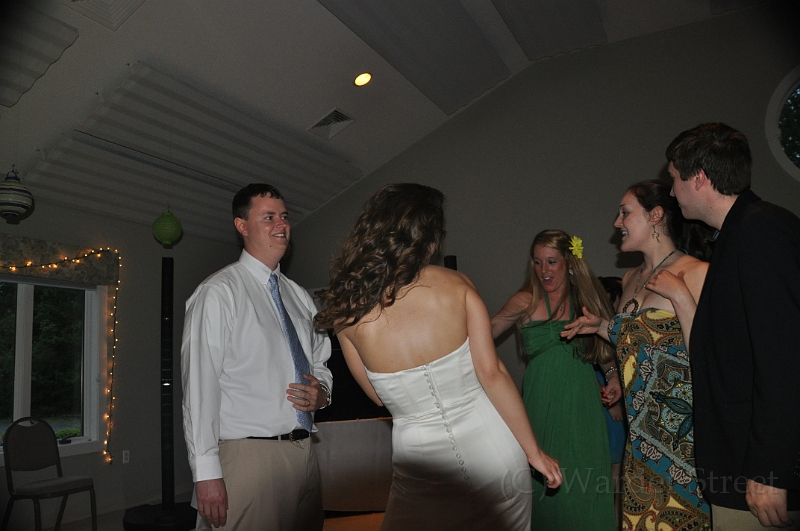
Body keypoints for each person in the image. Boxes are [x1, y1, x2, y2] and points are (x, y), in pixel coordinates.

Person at [314, 183, 562, 531]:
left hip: (420, 470)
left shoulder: (347, 313)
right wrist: (534, 453)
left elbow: (377, 396)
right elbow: (492, 374)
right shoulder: (456, 284)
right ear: (430, 238)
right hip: (494, 453)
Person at [665, 123, 800, 530]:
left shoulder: (762, 230)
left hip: (758, 473)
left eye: (674, 179)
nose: (671, 191)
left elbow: (783, 358)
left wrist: (769, 469)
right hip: (737, 464)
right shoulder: (736, 234)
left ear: (699, 179)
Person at [181, 183, 332, 530]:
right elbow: (200, 388)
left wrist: (322, 393)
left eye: (284, 216)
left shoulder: (299, 296)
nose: (282, 224)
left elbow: (320, 362)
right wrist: (206, 472)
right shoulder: (218, 293)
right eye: (269, 217)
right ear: (242, 226)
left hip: (305, 453)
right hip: (247, 457)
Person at [562, 179, 711, 530]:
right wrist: (602, 327)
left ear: (655, 216)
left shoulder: (697, 273)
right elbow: (642, 341)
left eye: (625, 213)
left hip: (684, 439)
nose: (617, 222)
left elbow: (710, 356)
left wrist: (680, 295)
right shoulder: (630, 277)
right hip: (640, 439)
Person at [491, 229, 618, 531]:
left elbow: (604, 353)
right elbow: (483, 334)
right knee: (546, 488)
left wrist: (613, 376)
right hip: (541, 403)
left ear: (569, 262)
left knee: (587, 484)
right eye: (537, 262)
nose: (544, 270)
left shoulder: (586, 300)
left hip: (583, 406)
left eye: (551, 262)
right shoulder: (524, 301)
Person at [597, 275, 627, 530]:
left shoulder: (622, 321)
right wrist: (611, 403)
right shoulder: (601, 326)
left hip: (624, 394)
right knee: (614, 468)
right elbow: (600, 363)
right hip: (607, 397)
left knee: (619, 469)